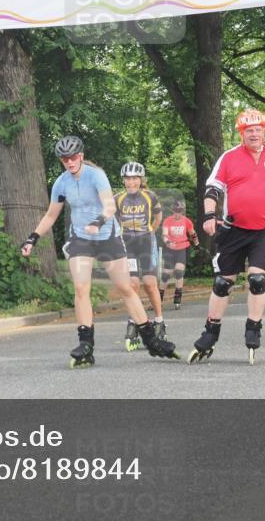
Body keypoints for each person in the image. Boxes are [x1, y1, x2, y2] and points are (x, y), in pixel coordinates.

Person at [20, 136, 179, 368]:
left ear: (81, 156)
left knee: (126, 288)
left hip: (107, 237)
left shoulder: (96, 176)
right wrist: (32, 238)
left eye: (73, 157)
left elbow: (109, 205)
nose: (69, 161)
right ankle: (86, 345)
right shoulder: (61, 183)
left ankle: (151, 340)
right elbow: (51, 215)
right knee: (80, 287)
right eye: (65, 158)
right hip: (81, 239)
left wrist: (98, 221)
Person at [190, 109, 265, 366]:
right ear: (241, 133)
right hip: (234, 228)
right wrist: (209, 216)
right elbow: (212, 189)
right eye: (249, 131)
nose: (254, 134)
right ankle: (210, 332)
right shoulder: (229, 158)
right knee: (223, 283)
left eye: (258, 129)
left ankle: (253, 329)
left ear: (263, 131)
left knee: (257, 278)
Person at [114, 162, 165, 349]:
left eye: (135, 178)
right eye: (127, 178)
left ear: (141, 180)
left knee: (150, 284)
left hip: (146, 242)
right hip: (127, 244)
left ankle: (159, 320)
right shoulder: (118, 198)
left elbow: (158, 217)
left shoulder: (150, 196)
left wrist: (151, 231)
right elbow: (112, 219)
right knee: (133, 285)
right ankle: (134, 320)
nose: (131, 182)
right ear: (124, 180)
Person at [160, 199, 200, 310]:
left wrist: (196, 243)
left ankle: (177, 299)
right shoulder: (167, 221)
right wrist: (168, 242)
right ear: (172, 211)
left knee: (178, 271)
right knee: (166, 275)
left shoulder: (186, 221)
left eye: (180, 211)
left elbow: (192, 233)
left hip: (182, 248)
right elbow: (164, 235)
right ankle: (159, 298)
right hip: (170, 249)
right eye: (176, 211)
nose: (178, 213)